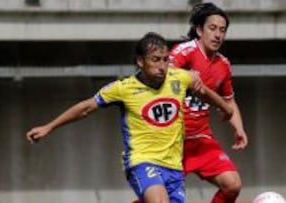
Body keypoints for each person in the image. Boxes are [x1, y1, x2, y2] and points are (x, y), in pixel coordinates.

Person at [26, 32, 233, 203]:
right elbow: (86, 107)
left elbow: (203, 91)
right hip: (142, 162)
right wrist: (49, 127)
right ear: (140, 61)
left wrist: (226, 108)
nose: (162, 66)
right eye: (155, 60)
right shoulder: (124, 88)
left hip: (174, 166)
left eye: (165, 60)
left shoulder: (178, 78)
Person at [169, 2, 249, 203]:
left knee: (232, 185)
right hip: (172, 141)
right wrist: (184, 74)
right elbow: (162, 74)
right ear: (199, 30)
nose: (217, 35)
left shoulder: (223, 64)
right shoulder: (184, 52)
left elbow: (229, 100)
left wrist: (239, 129)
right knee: (160, 199)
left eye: (222, 30)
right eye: (212, 28)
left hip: (201, 139)